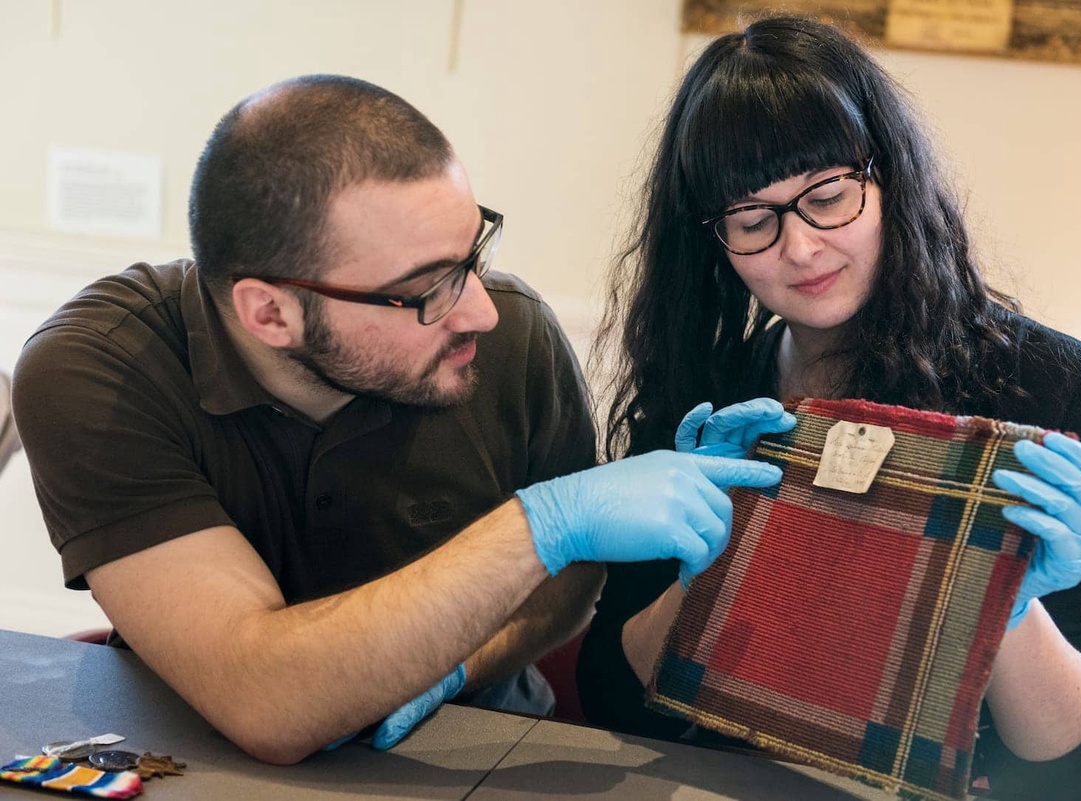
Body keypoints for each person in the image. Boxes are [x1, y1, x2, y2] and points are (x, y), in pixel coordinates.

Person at [11, 74, 785, 766]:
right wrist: (541, 523)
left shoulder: (510, 336)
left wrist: (456, 664)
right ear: (271, 313)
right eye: (425, 288)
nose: (479, 308)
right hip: (197, 761)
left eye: (473, 253)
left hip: (478, 751)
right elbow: (265, 700)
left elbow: (570, 583)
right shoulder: (101, 369)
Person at [577, 16, 1081, 800]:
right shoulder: (708, 401)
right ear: (711, 239)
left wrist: (1006, 605)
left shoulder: (1051, 390)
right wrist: (710, 570)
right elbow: (615, 701)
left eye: (828, 196)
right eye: (753, 220)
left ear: (889, 178)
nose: (801, 249)